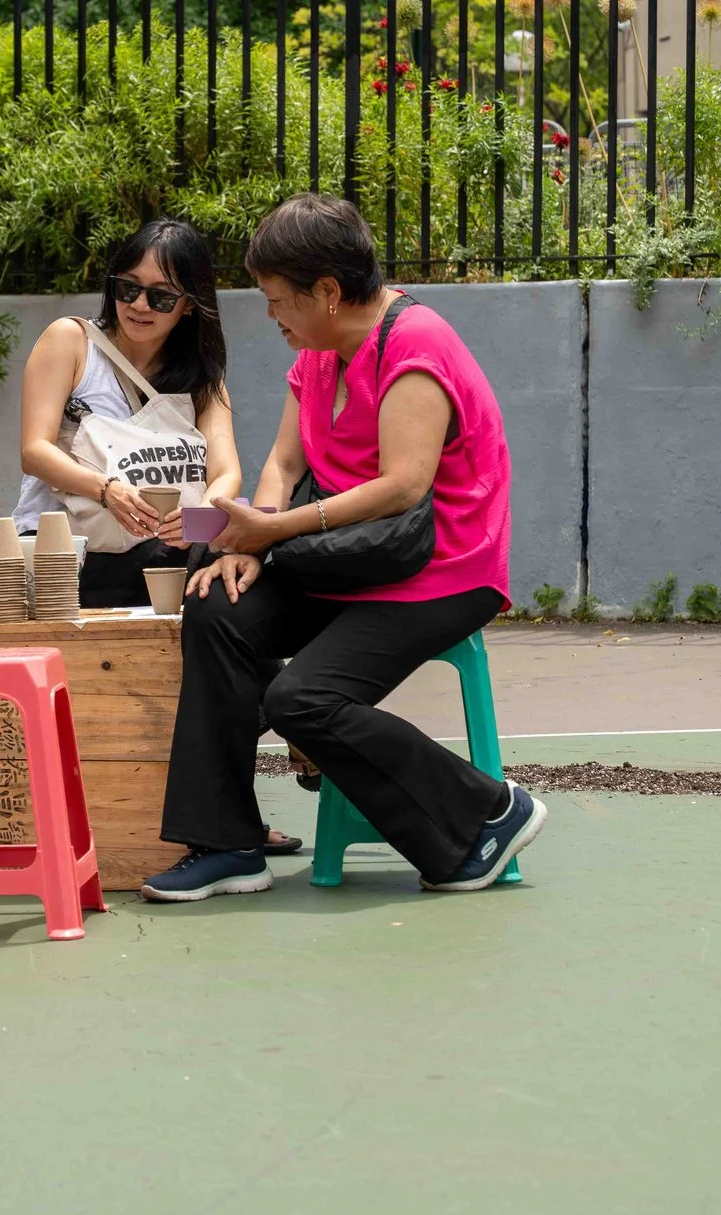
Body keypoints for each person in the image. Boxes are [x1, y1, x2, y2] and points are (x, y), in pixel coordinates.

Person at [140, 194, 546, 902]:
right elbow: (284, 464)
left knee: (302, 697)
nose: (271, 316)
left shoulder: (417, 342)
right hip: (356, 559)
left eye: (277, 300)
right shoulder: (320, 354)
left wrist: (277, 531)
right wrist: (249, 540)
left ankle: (487, 812)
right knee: (216, 606)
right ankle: (229, 842)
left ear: (327, 291)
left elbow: (402, 485)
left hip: (442, 569)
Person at [15, 218, 241, 606]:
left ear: (189, 306)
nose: (139, 305)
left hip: (157, 556)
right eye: (128, 288)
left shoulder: (203, 381)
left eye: (161, 297)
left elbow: (225, 473)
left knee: (224, 574)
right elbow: (34, 450)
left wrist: (198, 518)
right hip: (68, 555)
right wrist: (107, 491)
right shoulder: (71, 341)